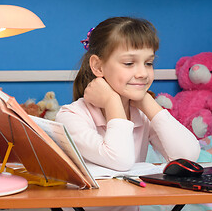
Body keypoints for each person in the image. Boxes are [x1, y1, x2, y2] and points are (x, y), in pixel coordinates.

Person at [55, 17, 200, 210]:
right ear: (98, 66)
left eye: (148, 63)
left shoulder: (141, 114)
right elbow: (119, 160)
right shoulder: (71, 116)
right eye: (129, 63)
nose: (143, 73)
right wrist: (111, 101)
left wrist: (148, 103)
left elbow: (188, 156)